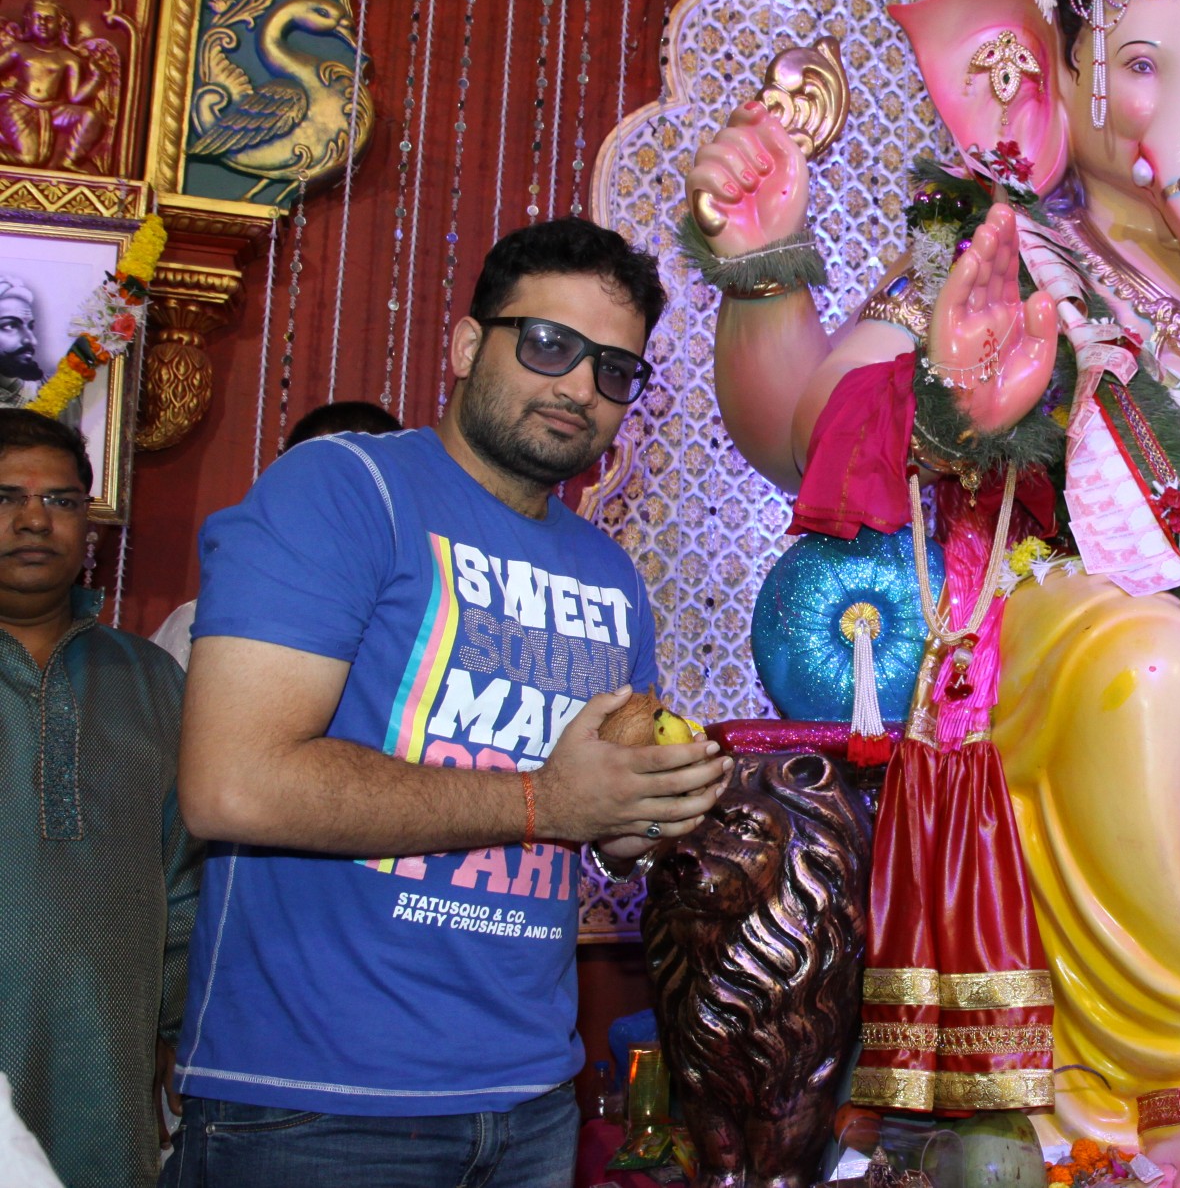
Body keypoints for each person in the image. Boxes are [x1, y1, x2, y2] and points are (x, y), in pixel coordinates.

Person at [164, 218, 730, 1187]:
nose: (578, 388)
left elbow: (605, 837)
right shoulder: (343, 491)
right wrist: (549, 804)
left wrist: (656, 806)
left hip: (529, 1101)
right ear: (468, 345)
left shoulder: (609, 574)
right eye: (549, 345)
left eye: (614, 371)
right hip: (314, 1106)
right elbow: (233, 785)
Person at [0, 409, 200, 1187]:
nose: (32, 520)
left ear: (91, 521)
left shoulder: (151, 681)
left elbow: (185, 876)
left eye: (61, 500)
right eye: (7, 495)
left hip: (106, 1069)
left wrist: (178, 1037)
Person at [148, 400, 403, 670]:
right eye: (318, 491)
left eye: (356, 496)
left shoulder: (425, 634)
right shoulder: (203, 624)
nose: (335, 516)